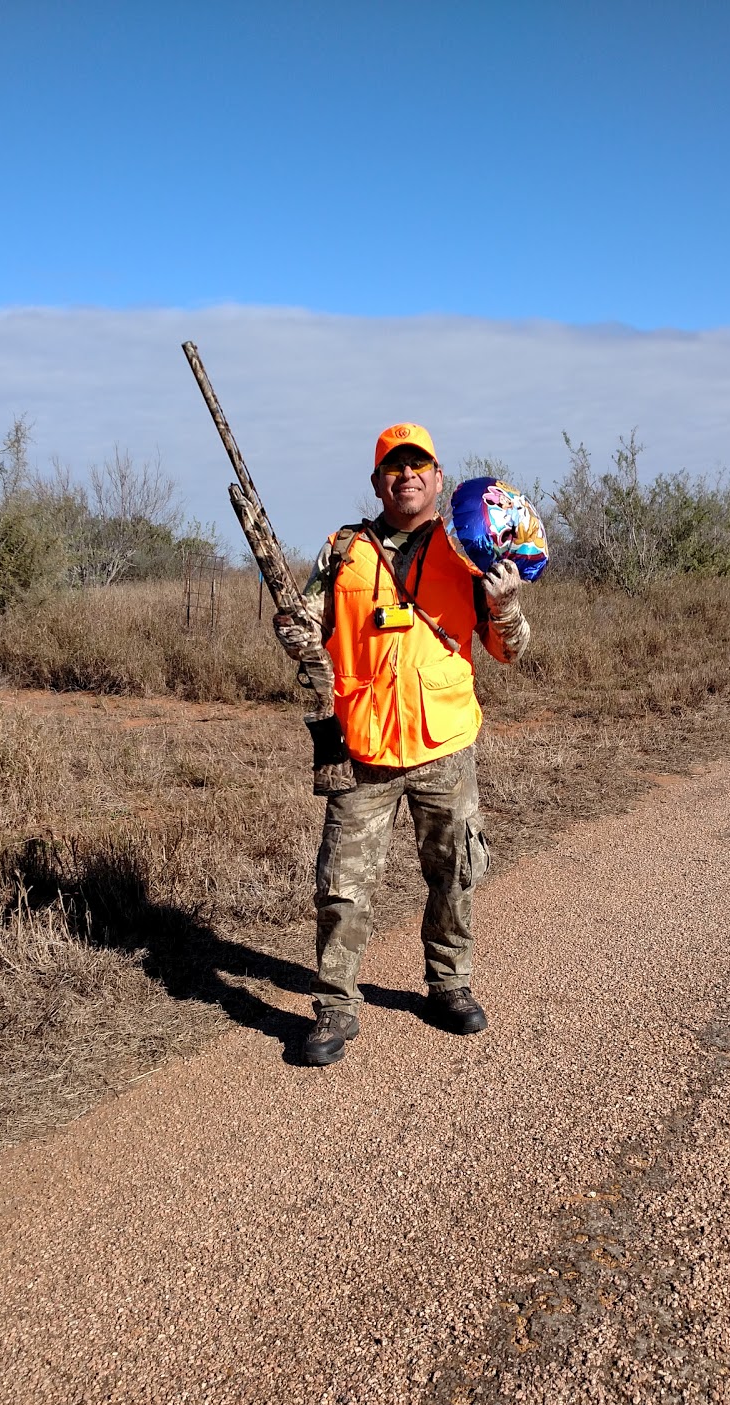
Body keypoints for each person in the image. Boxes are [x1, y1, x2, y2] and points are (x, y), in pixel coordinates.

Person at [273, 423, 530, 1066]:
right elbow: (305, 623)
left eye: (419, 465)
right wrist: (292, 626)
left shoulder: (469, 548)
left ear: (439, 477)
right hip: (361, 750)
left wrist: (505, 608)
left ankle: (449, 986)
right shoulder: (342, 551)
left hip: (444, 746)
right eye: (394, 466)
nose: (407, 476)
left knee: (455, 871)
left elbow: (510, 651)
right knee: (342, 884)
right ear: (376, 481)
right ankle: (335, 1007)